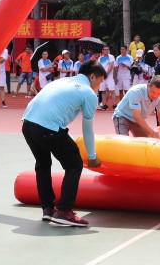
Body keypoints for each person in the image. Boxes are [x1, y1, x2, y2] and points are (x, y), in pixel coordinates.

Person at [21, 60, 105, 227]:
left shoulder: (62, 81)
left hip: (28, 124)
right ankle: (64, 211)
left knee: (43, 164)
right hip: (47, 128)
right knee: (74, 164)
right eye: (100, 81)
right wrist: (92, 156)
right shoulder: (88, 93)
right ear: (92, 76)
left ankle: (48, 209)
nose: (100, 85)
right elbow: (87, 128)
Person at [97, 45, 116, 110]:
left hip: (109, 76)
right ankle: (104, 105)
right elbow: (99, 66)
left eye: (107, 49)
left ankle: (114, 104)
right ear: (102, 51)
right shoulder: (100, 58)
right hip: (102, 76)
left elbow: (111, 66)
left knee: (112, 90)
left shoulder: (111, 57)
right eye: (105, 49)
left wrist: (106, 74)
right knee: (103, 91)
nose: (106, 51)